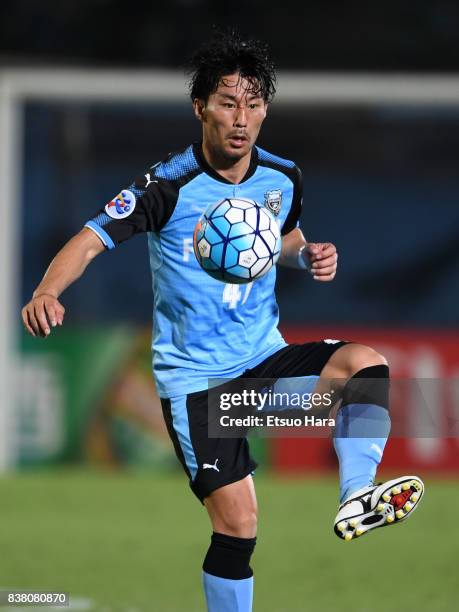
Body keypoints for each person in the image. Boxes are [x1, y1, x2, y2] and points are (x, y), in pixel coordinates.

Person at [22, 30, 424, 612]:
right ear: (201, 107)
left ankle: (356, 495)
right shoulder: (166, 186)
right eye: (229, 102)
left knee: (365, 365)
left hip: (261, 361)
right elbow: (89, 240)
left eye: (254, 104)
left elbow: (281, 236)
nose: (242, 118)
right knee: (238, 526)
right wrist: (47, 290)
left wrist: (306, 253)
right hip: (198, 388)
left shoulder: (284, 178)